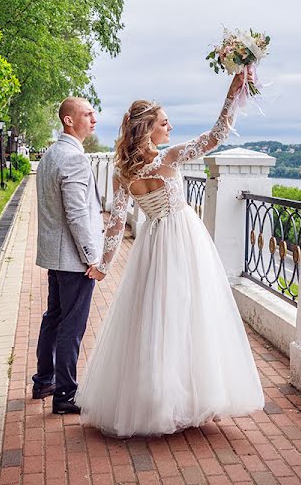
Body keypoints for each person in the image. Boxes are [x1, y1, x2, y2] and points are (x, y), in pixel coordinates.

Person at [76, 71, 264, 437]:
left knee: (154, 316)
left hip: (154, 241)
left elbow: (116, 224)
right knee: (189, 313)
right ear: (148, 130)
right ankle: (188, 399)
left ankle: (161, 399)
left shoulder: (123, 171)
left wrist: (104, 266)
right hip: (182, 238)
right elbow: (217, 135)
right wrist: (231, 94)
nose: (171, 127)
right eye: (165, 123)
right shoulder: (171, 159)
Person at [32, 97, 105, 414]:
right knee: (70, 328)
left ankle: (44, 381)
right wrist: (92, 257)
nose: (94, 119)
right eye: (88, 114)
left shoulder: (51, 154)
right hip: (74, 259)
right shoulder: (73, 158)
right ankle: (65, 395)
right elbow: (77, 215)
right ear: (69, 120)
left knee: (54, 319)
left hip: (56, 255)